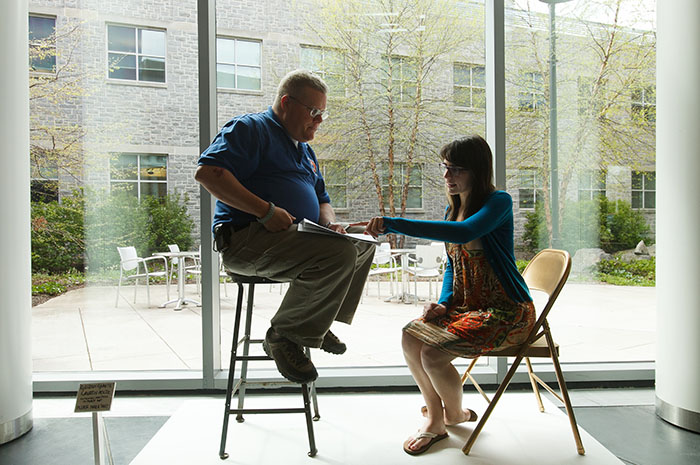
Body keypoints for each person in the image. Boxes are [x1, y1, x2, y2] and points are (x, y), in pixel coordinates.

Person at [195, 69, 375, 384]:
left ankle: (314, 322)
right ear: (286, 103)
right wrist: (265, 211)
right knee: (341, 256)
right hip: (246, 241)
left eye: (323, 113)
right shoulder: (250, 129)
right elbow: (209, 174)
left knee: (359, 249)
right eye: (313, 111)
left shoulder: (305, 151)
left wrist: (329, 224)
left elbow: (323, 200)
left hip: (292, 240)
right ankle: (285, 335)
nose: (319, 120)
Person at [365, 135, 535, 456]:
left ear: (477, 171)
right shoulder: (451, 210)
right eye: (445, 167)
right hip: (465, 307)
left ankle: (453, 415)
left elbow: (465, 233)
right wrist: (444, 302)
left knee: (432, 354)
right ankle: (437, 418)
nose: (447, 177)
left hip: (505, 310)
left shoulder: (499, 202)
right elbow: (451, 266)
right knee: (410, 336)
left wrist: (393, 224)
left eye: (456, 169)